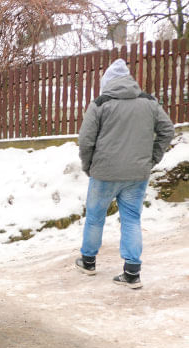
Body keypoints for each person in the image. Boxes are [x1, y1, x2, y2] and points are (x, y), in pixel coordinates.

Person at [76, 59, 174, 289]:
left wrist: (88, 166)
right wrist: (152, 159)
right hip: (136, 175)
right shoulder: (149, 102)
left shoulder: (100, 104)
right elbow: (167, 130)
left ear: (107, 82)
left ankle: (88, 262)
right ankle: (132, 273)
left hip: (104, 173)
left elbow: (85, 141)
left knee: (95, 217)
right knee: (131, 219)